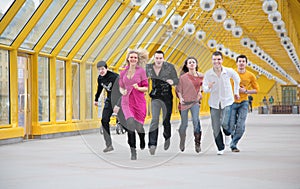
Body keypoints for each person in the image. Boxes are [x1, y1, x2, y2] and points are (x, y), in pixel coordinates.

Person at [202, 51, 240, 155]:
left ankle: (227, 134)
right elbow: (204, 89)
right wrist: (208, 87)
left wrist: (236, 92)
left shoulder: (228, 71)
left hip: (227, 101)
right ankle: (220, 147)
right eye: (214, 59)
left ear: (222, 60)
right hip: (214, 103)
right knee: (215, 126)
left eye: (218, 59)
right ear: (212, 60)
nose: (216, 61)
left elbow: (237, 79)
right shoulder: (208, 74)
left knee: (224, 123)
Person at [146, 50, 179, 155]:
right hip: (155, 97)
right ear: (154, 58)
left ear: (163, 59)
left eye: (160, 58)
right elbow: (141, 76)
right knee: (154, 120)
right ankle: (152, 144)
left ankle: (167, 137)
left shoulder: (169, 67)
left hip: (167, 97)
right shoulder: (149, 68)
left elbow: (176, 79)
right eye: (157, 58)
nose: (158, 60)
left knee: (165, 121)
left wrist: (172, 81)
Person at [118, 49, 149, 160]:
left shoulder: (141, 72)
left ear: (138, 59)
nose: (133, 59)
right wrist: (122, 91)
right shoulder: (123, 72)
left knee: (139, 127)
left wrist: (138, 88)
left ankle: (142, 138)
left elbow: (146, 87)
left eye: (135, 58)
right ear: (128, 58)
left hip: (139, 101)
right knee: (130, 124)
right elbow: (121, 86)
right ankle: (133, 151)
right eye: (131, 57)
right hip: (127, 102)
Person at [229, 55, 259, 152]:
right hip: (231, 102)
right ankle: (233, 138)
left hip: (244, 103)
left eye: (243, 61)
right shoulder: (231, 73)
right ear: (236, 63)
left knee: (241, 125)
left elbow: (256, 90)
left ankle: (233, 144)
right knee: (231, 125)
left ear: (246, 63)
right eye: (240, 61)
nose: (241, 63)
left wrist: (245, 91)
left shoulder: (250, 75)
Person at [176, 57, 204, 153]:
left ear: (196, 64)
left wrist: (200, 93)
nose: (192, 64)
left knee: (196, 121)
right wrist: (180, 98)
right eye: (190, 62)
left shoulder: (201, 76)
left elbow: (202, 86)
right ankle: (182, 140)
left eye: (193, 62)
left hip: (194, 102)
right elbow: (178, 90)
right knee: (184, 124)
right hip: (184, 103)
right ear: (187, 65)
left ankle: (197, 143)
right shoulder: (183, 77)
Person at [94, 61, 122, 153]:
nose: (101, 71)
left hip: (120, 99)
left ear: (106, 68)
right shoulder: (100, 78)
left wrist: (118, 105)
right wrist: (96, 99)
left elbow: (122, 92)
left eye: (102, 69)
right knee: (104, 120)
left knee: (127, 122)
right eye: (99, 70)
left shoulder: (115, 77)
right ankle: (109, 145)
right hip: (110, 100)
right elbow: (100, 88)